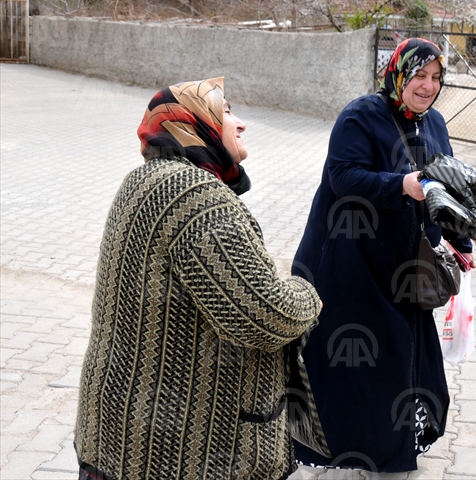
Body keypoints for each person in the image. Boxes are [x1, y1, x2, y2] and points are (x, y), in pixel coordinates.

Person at [75, 77, 321, 480]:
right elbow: (263, 315)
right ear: (193, 122)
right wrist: (307, 294)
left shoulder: (144, 179)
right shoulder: (196, 198)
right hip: (175, 452)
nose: (240, 123)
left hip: (119, 435)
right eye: (225, 111)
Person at [291, 38, 474, 472]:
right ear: (396, 73)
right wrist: (401, 185)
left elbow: (443, 184)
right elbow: (342, 176)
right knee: (355, 366)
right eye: (418, 76)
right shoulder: (361, 116)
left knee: (404, 356)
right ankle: (334, 448)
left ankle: (395, 448)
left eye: (435, 78)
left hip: (405, 265)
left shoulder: (434, 123)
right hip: (349, 260)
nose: (427, 86)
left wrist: (463, 237)